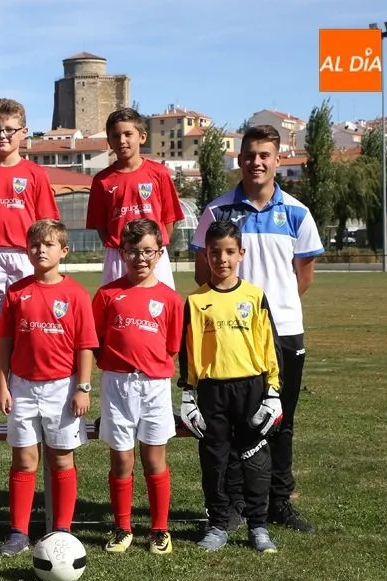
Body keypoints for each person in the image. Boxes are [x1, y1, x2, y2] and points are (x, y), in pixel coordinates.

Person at [190, 124, 323, 534]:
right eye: (250, 155)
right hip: (230, 335)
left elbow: (303, 278)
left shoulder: (298, 212)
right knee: (229, 424)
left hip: (281, 333)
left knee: (279, 419)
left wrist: (270, 314)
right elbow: (201, 272)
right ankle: (230, 507)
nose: (257, 162)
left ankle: (279, 501)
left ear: (278, 159)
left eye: (265, 155)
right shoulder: (217, 211)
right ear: (240, 158)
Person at [0, 219, 96, 556]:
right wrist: (3, 385)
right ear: (27, 249)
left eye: (49, 244)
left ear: (64, 250)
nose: (41, 250)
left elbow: (84, 346)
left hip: (62, 388)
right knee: (24, 459)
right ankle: (19, 532)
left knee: (61, 458)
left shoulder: (77, 294)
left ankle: (62, 531)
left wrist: (83, 387)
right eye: (35, 244)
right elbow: (5, 343)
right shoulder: (16, 292)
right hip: (22, 386)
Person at [180, 221, 283, 553]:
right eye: (214, 252)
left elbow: (269, 345)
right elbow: (188, 351)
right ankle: (218, 524)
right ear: (205, 255)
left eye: (228, 252)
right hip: (212, 391)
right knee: (215, 461)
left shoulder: (254, 296)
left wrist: (272, 391)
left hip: (251, 388)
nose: (221, 259)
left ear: (241, 253)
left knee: (255, 458)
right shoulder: (195, 301)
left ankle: (258, 525)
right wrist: (187, 393)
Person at [0, 97, 60, 428]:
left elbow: (48, 227)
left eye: (9, 130)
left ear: (24, 132)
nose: (2, 135)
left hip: (25, 256)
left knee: (28, 330)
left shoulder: (35, 174)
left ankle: (27, 402)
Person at [91, 219, 183, 555]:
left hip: (155, 385)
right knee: (121, 460)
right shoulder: (106, 295)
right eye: (132, 251)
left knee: (154, 458)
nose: (140, 258)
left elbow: (171, 345)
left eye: (147, 251)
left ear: (160, 253)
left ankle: (159, 529)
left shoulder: (171, 299)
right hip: (117, 385)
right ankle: (123, 526)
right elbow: (96, 341)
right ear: (122, 252)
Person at [86, 107, 183, 290]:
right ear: (109, 141)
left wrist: (154, 248)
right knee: (116, 312)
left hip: (154, 254)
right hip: (118, 256)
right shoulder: (101, 180)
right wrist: (120, 248)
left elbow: (169, 220)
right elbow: (101, 226)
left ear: (142, 137)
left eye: (128, 134)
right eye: (115, 136)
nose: (122, 140)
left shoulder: (159, 173)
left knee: (158, 310)